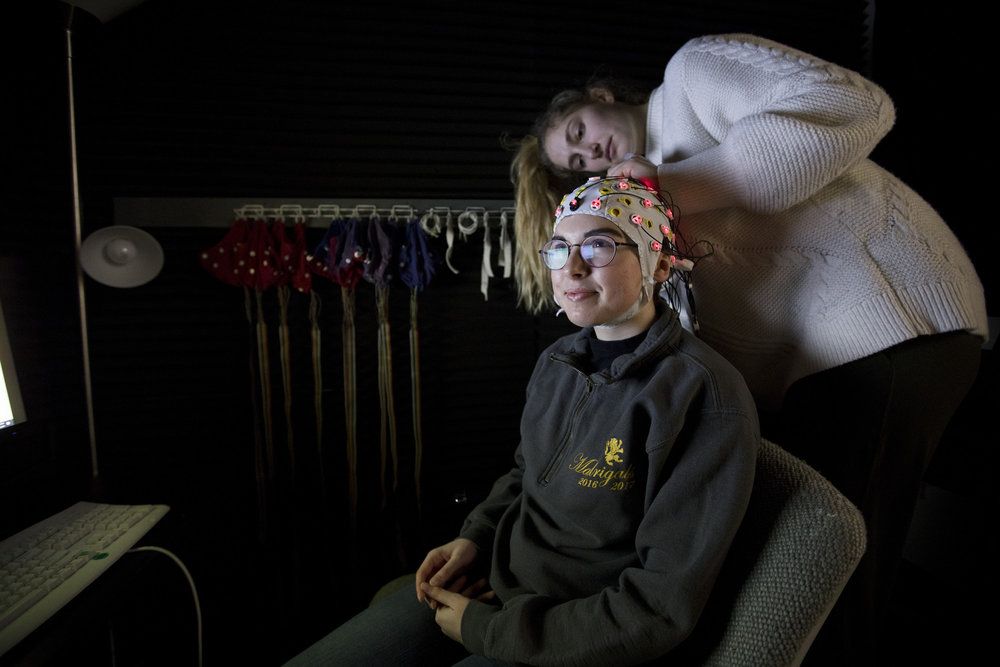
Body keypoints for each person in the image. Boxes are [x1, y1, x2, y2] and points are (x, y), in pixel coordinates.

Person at [509, 32, 989, 664]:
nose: (586, 153)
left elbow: (857, 106)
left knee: (836, 559)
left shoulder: (692, 76)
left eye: (575, 131)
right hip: (819, 369)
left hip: (899, 326)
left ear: (601, 96)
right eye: (575, 164)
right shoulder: (639, 216)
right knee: (791, 556)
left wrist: (675, 187)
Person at [283, 176, 760, 666]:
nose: (572, 268)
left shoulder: (704, 396)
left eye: (598, 246)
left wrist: (489, 632)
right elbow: (526, 473)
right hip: (493, 584)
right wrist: (475, 536)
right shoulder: (559, 360)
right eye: (559, 248)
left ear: (657, 263)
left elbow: (659, 609)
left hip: (571, 632)